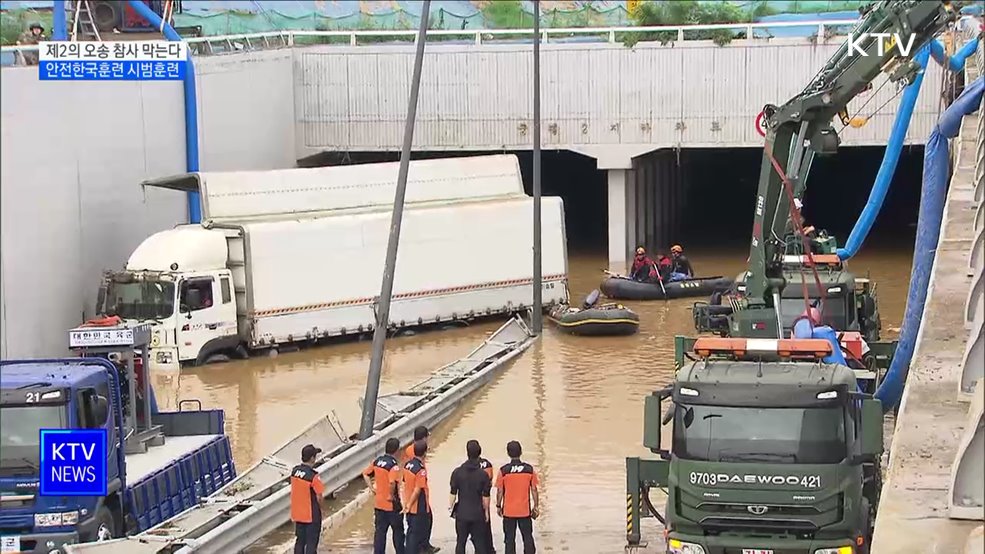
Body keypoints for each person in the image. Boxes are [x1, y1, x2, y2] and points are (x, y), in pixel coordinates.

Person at [449, 440, 493, 554]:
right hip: (477, 514)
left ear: (467, 453)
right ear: (479, 453)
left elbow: (453, 493)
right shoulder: (483, 475)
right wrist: (486, 512)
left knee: (460, 543)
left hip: (462, 514)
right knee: (480, 544)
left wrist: (451, 508)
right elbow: (486, 497)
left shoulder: (457, 472)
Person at [495, 441, 539, 554]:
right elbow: (534, 489)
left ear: (508, 453)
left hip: (508, 511)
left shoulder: (503, 471)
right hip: (524, 511)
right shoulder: (529, 469)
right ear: (521, 452)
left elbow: (500, 491)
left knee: (509, 540)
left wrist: (498, 506)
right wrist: (536, 506)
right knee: (527, 538)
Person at [363, 437, 405, 554]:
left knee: (380, 533)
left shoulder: (377, 461)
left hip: (379, 504)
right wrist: (391, 495)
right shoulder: (393, 466)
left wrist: (372, 488)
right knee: (398, 532)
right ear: (396, 450)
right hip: (392, 505)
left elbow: (365, 474)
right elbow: (392, 482)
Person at [403, 426, 439, 553]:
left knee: (426, 520)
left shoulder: (413, 452)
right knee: (417, 525)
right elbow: (416, 480)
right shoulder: (414, 454)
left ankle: (424, 545)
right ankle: (418, 548)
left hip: (416, 490)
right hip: (417, 492)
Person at [290, 444, 325, 554]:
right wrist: (321, 510)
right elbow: (319, 496)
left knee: (300, 542)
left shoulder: (294, 472)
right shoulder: (314, 476)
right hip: (311, 516)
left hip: (298, 515)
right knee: (311, 543)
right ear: (312, 458)